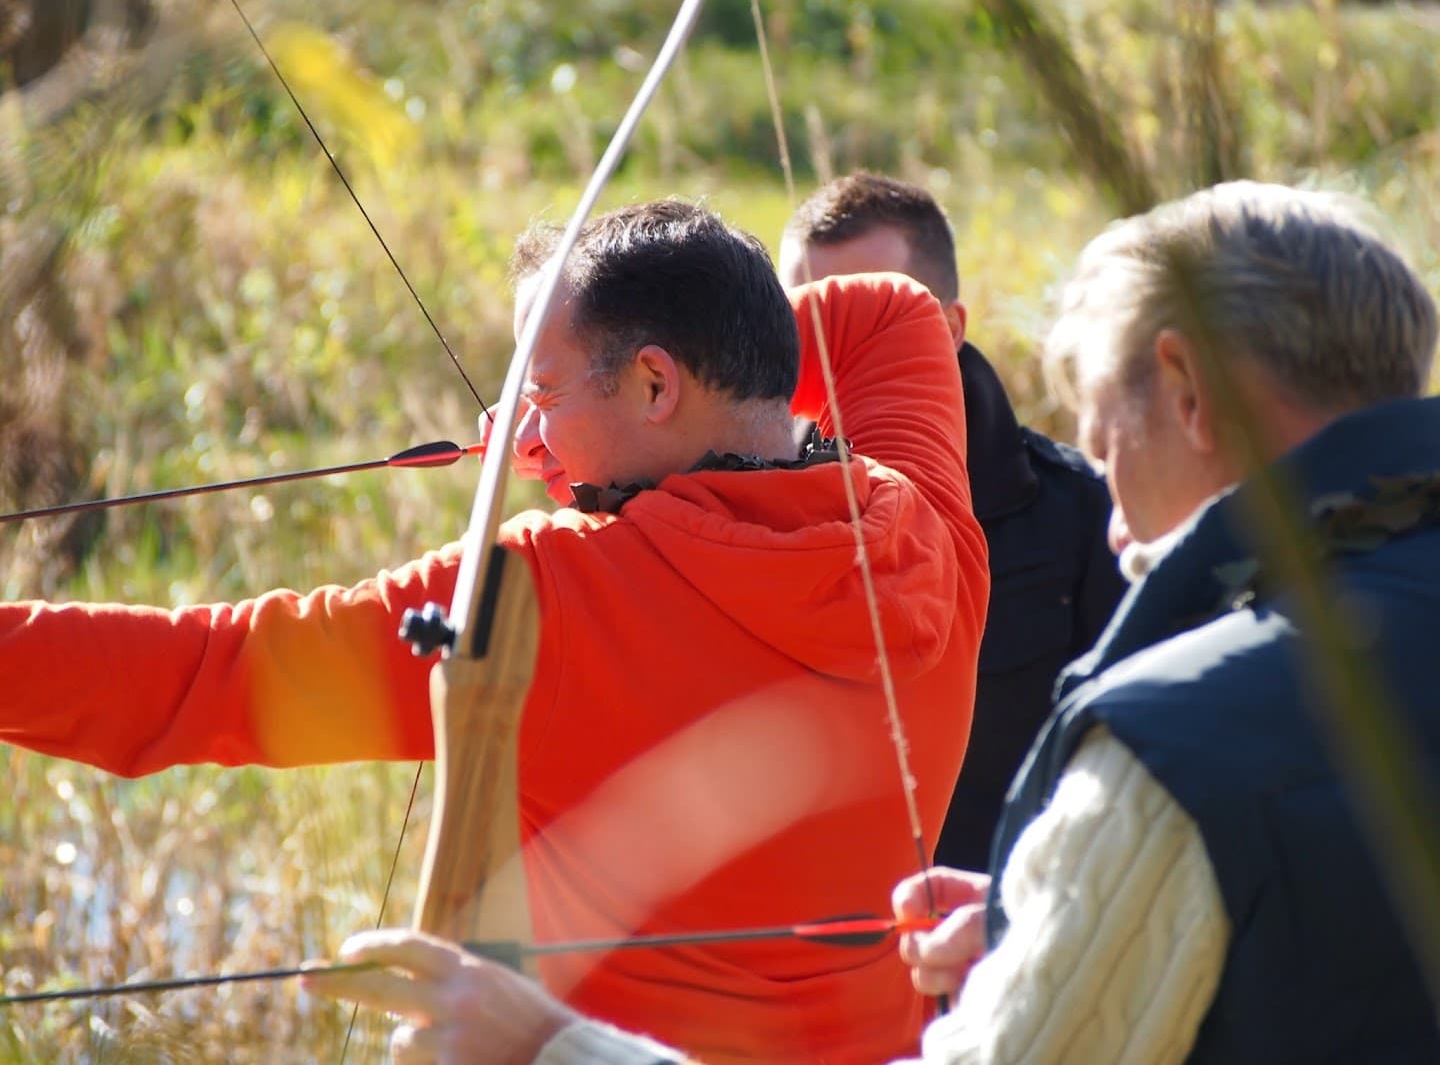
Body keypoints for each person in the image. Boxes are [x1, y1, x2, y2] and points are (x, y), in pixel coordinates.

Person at [308, 181, 1440, 1062]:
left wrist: (548, 1046)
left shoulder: (1172, 747)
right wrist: (1056, 921)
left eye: (1104, 439)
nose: (1104, 502)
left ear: (1189, 395)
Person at [0, 200, 990, 1062]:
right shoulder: (932, 533)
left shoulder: (549, 593)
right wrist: (677, 385)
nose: (524, 428)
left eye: (538, 393)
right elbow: (887, 314)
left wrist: (609, 441)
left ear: (653, 383)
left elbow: (204, 673)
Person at [777, 172, 1126, 871]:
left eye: (875, 311)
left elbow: (1127, 760)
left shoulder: (1086, 510)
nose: (841, 345)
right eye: (805, 322)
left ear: (949, 328)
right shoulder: (753, 510)